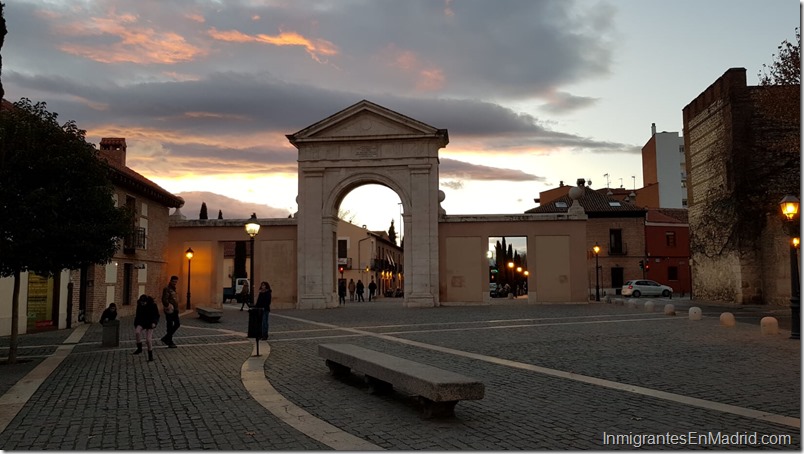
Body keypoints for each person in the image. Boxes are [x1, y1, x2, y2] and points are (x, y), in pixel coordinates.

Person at [133, 295, 160, 361]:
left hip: (150, 323)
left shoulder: (153, 305)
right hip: (141, 322)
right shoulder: (139, 305)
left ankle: (150, 355)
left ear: (147, 301)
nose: (142, 304)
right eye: (141, 302)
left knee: (148, 339)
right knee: (137, 332)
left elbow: (156, 315)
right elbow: (137, 315)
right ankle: (139, 348)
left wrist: (154, 322)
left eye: (144, 302)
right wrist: (136, 324)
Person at [160, 275, 180, 348]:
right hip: (170, 310)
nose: (175, 283)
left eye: (176, 282)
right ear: (170, 281)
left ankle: (166, 338)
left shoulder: (174, 289)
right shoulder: (167, 289)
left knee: (177, 324)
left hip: (175, 310)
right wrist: (168, 306)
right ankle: (169, 341)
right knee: (170, 325)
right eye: (174, 281)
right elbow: (164, 299)